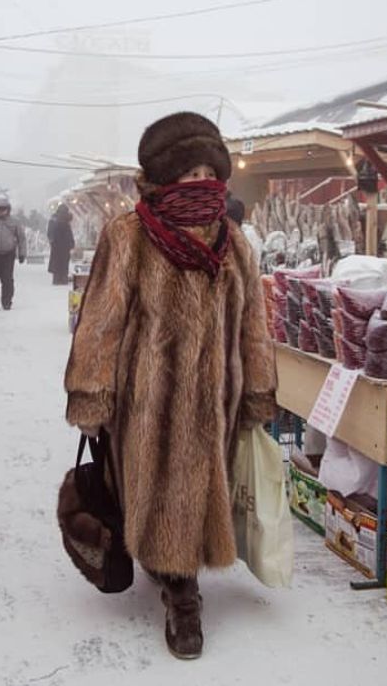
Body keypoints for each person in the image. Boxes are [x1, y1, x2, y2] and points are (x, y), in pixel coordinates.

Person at [64, 111, 278, 660]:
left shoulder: (234, 243)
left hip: (217, 405)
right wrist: (91, 393)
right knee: (155, 486)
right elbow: (101, 321)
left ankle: (173, 570)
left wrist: (255, 390)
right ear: (164, 179)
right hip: (146, 401)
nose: (200, 182)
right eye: (188, 173)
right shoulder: (129, 236)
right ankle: (182, 597)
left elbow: (254, 322)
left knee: (198, 490)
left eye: (209, 171)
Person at [46, 204, 75, 285]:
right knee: (64, 263)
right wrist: (71, 243)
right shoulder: (66, 221)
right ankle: (63, 278)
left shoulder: (54, 220)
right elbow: (69, 234)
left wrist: (52, 241)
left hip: (56, 245)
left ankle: (57, 279)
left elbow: (49, 232)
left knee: (57, 263)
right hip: (65, 246)